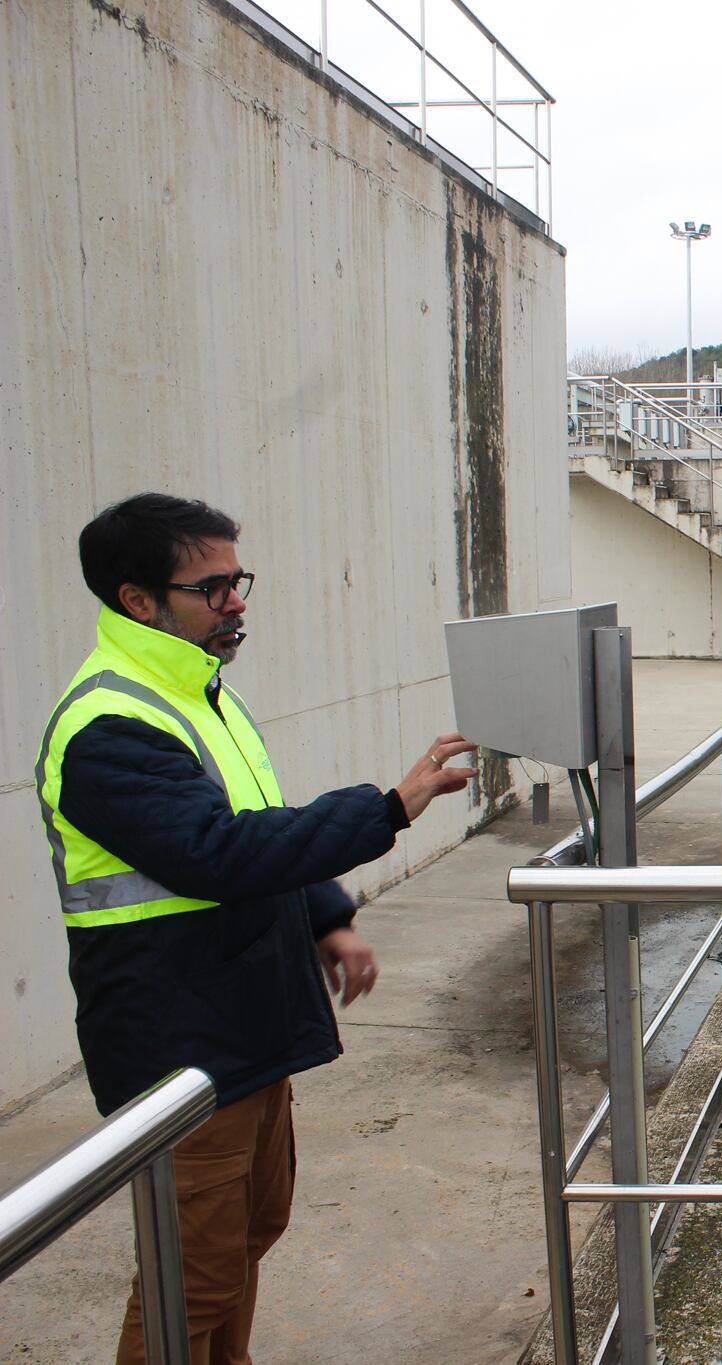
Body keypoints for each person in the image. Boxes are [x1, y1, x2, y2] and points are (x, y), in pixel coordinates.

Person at [34, 493, 478, 1365]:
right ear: (138, 600)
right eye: (214, 586)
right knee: (189, 1273)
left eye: (239, 580)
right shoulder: (108, 724)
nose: (237, 600)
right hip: (177, 1040)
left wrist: (327, 920)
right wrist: (388, 806)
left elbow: (256, 822)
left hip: (240, 1019)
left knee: (247, 1235)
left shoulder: (198, 696)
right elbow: (215, 853)